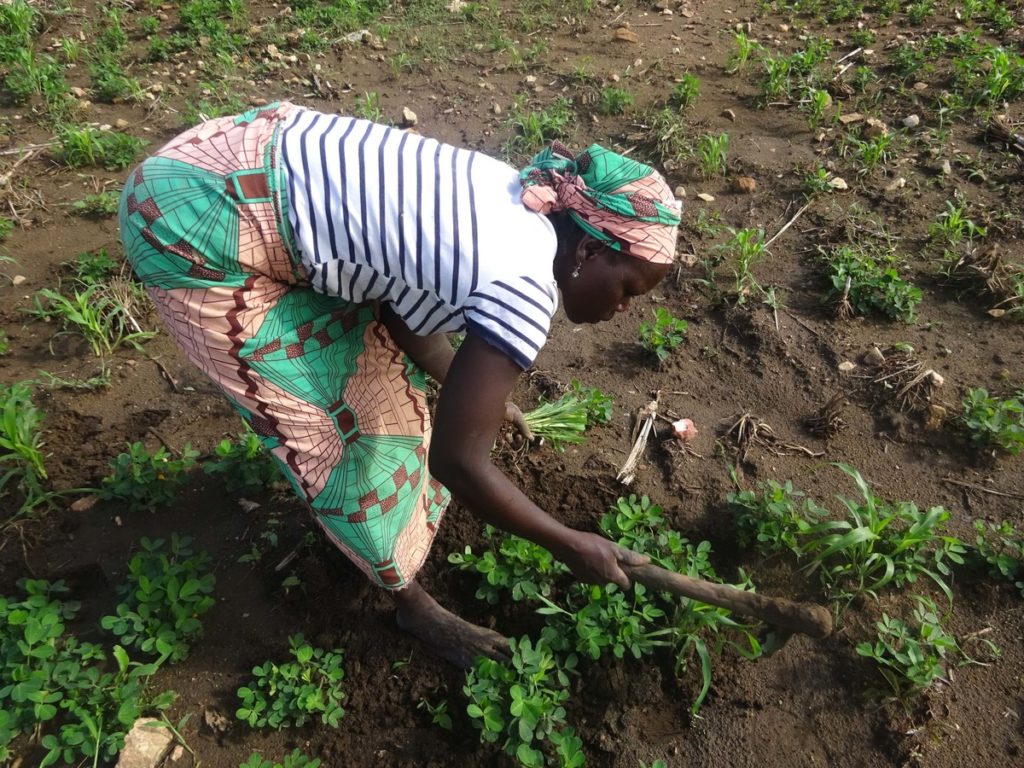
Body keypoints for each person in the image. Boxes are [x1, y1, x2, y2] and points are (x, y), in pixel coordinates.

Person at [118, 102, 682, 668]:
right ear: (587, 250)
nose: (623, 309)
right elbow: (457, 463)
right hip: (191, 224)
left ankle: (395, 541)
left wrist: (492, 403)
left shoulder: (518, 196)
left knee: (377, 380)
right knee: (338, 434)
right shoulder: (525, 286)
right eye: (629, 290)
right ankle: (413, 606)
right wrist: (570, 544)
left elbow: (400, 312)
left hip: (228, 153)